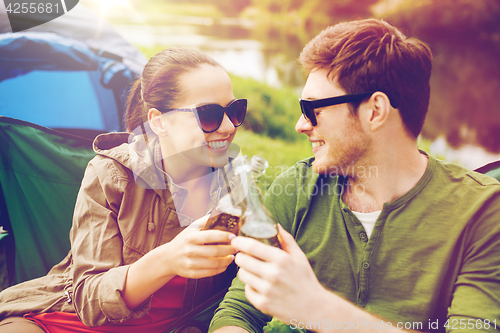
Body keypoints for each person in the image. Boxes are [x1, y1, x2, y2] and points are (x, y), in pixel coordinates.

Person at [208, 19, 500, 333]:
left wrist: (315, 306)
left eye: (313, 109)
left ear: (375, 111)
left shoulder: (483, 212)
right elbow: (238, 312)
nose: (301, 125)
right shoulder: (295, 189)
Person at [0, 47, 248, 332]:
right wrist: (169, 259)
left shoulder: (235, 182)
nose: (229, 127)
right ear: (159, 121)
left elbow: (250, 283)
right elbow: (89, 300)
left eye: (235, 110)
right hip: (69, 320)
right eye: (209, 114)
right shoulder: (111, 175)